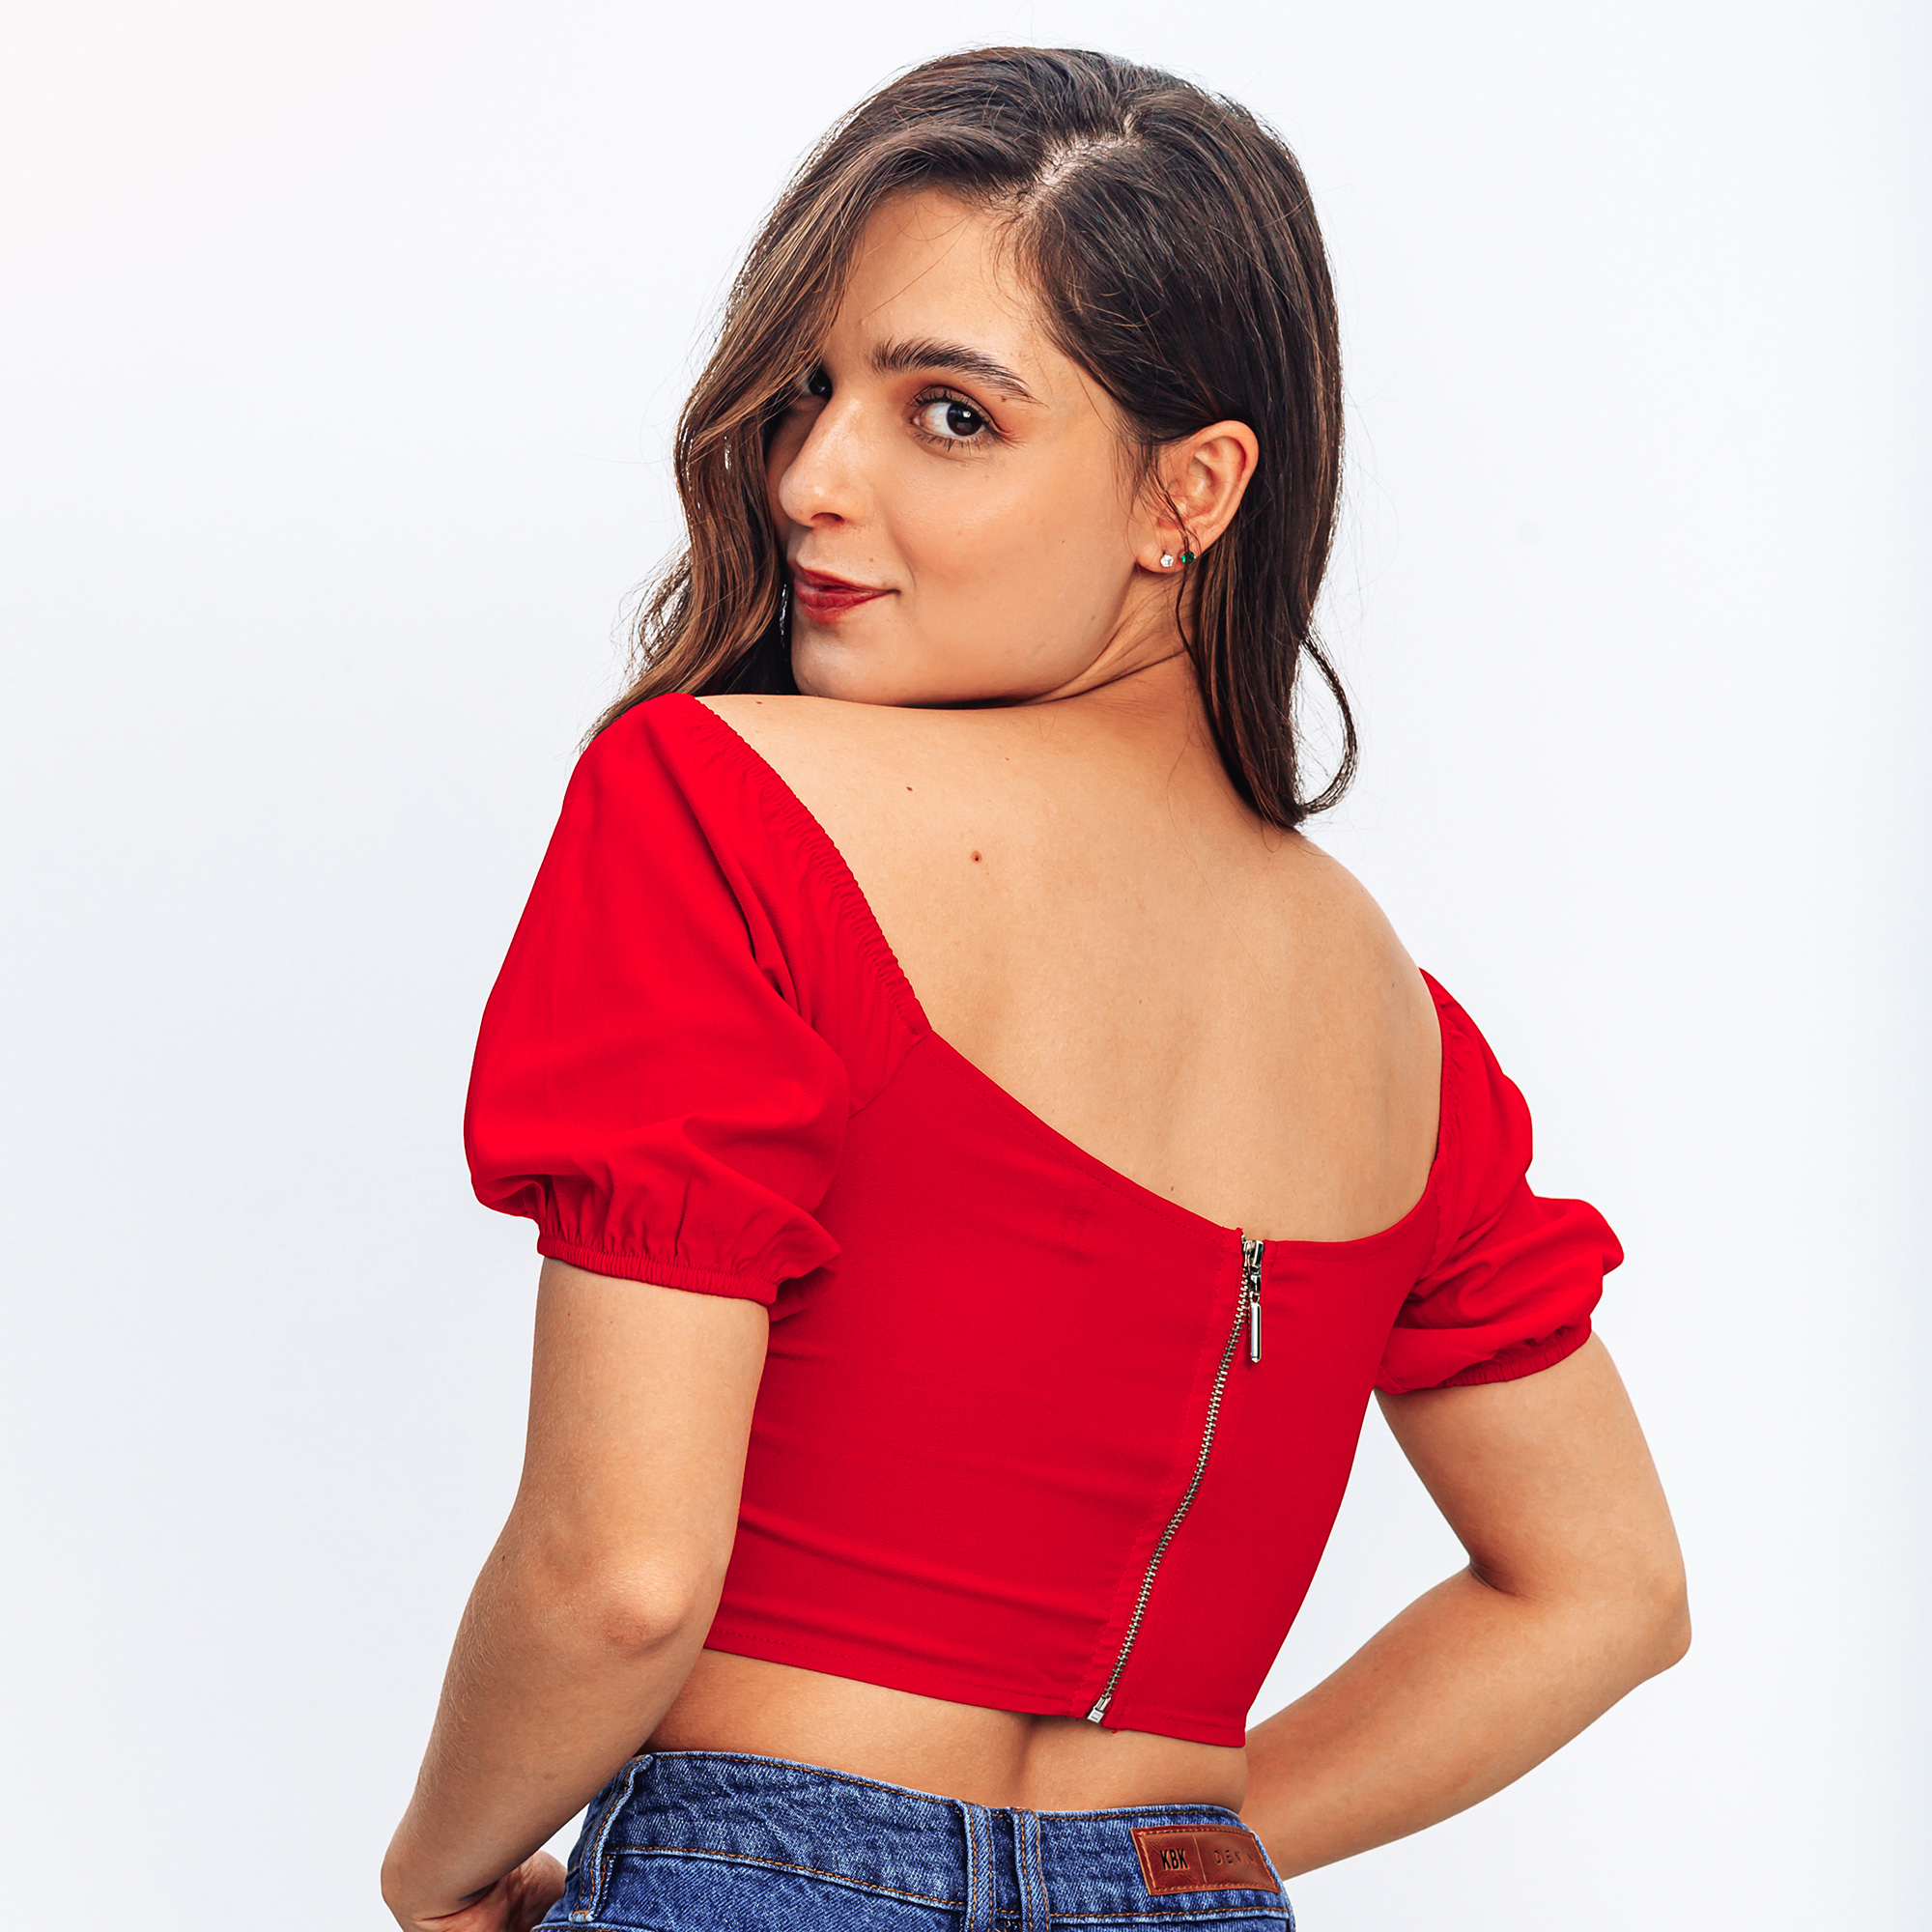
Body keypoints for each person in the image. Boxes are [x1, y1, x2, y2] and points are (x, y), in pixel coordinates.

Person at [381, 45, 1689, 1932]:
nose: (811, 478)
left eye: (951, 415)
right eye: (810, 390)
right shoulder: (1396, 1024)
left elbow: (620, 1579)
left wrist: (436, 1871)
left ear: (1190, 490)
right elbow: (1605, 1588)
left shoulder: (721, 805)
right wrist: (1160, 1859)